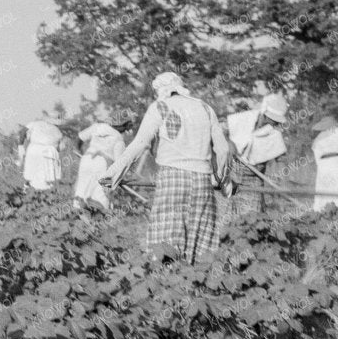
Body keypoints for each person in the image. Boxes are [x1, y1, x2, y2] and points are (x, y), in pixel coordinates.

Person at [105, 73, 235, 261]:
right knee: (199, 239)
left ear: (161, 90)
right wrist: (223, 182)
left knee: (165, 240)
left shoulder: (159, 106)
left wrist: (113, 173)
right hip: (202, 180)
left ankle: (165, 282)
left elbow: (140, 143)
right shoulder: (205, 108)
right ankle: (195, 283)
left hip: (172, 177)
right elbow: (222, 150)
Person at [226, 93, 290, 221]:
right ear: (264, 113)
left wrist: (281, 188)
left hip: (254, 180)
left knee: (252, 220)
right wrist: (230, 143)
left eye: (277, 121)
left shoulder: (274, 135)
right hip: (233, 177)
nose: (274, 123)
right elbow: (221, 132)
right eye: (272, 119)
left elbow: (281, 160)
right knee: (233, 222)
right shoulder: (243, 119)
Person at [72, 107, 125, 211]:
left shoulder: (97, 126)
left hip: (86, 158)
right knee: (101, 193)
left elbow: (79, 138)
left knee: (82, 187)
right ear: (122, 126)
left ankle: (78, 212)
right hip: (104, 164)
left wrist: (80, 152)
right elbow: (118, 164)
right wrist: (118, 179)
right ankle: (99, 213)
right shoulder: (119, 138)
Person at [16, 116, 63, 191]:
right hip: (48, 152)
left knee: (31, 174)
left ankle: (27, 191)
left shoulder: (35, 124)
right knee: (46, 177)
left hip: (34, 150)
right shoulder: (58, 131)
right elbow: (59, 148)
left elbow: (22, 132)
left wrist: (20, 145)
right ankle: (41, 194)